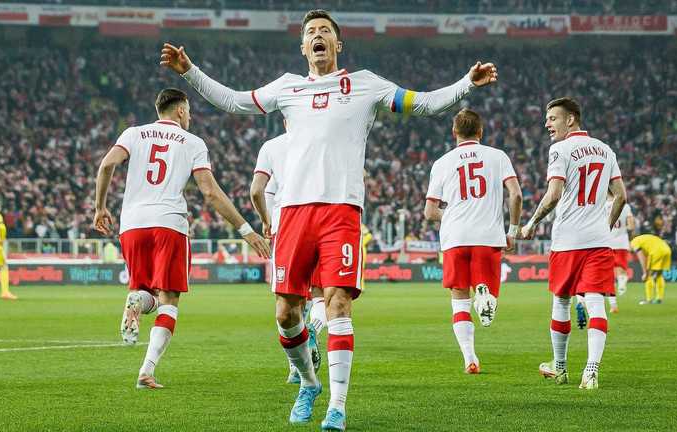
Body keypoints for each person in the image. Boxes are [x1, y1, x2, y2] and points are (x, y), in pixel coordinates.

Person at [161, 9, 497, 430]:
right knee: (286, 313)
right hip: (294, 213)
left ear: (338, 45)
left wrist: (467, 83)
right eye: (310, 33)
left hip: (340, 210)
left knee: (337, 303)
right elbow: (234, 100)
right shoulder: (288, 88)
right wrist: (189, 70)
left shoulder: (365, 84)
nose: (317, 36)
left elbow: (423, 103)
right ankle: (308, 382)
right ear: (303, 47)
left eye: (325, 32)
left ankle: (337, 406)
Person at [93, 88, 270, 389]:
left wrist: (99, 208)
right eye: (188, 111)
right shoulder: (192, 142)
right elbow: (210, 192)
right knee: (169, 301)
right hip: (169, 224)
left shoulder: (134, 133)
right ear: (180, 110)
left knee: (146, 291)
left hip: (132, 224)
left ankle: (137, 300)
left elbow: (107, 164)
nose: (190, 116)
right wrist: (245, 229)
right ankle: (146, 371)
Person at [522, 97, 626, 390]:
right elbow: (620, 195)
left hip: (567, 240)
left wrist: (532, 223)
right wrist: (604, 226)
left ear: (571, 119)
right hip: (599, 241)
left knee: (562, 301)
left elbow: (553, 194)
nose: (547, 124)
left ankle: (561, 367)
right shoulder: (606, 150)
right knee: (595, 304)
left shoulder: (560, 149)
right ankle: (591, 372)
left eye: (552, 118)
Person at [424, 109, 522, 374]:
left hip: (455, 237)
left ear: (454, 132)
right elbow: (516, 194)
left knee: (458, 301)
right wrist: (512, 230)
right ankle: (484, 297)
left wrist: (452, 214)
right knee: (487, 293)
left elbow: (430, 212)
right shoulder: (498, 156)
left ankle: (470, 358)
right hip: (488, 236)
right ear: (481, 132)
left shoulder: (442, 162)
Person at [249, 132, 322, 384]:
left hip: (285, 228)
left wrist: (266, 221)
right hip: (322, 222)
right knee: (321, 295)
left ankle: (296, 368)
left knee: (288, 303)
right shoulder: (321, 139)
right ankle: (313, 330)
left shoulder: (272, 146)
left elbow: (259, 191)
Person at [605, 193, 635, 311]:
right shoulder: (625, 206)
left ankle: (613, 305)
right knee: (620, 269)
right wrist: (624, 229)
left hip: (607, 242)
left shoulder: (603, 205)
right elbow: (631, 225)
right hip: (622, 242)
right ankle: (622, 280)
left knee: (608, 275)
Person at [630, 233, 671, 305]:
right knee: (659, 275)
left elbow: (641, 257)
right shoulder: (643, 239)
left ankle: (649, 300)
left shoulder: (634, 242)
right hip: (666, 249)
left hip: (657, 251)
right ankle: (659, 298)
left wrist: (645, 272)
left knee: (648, 276)